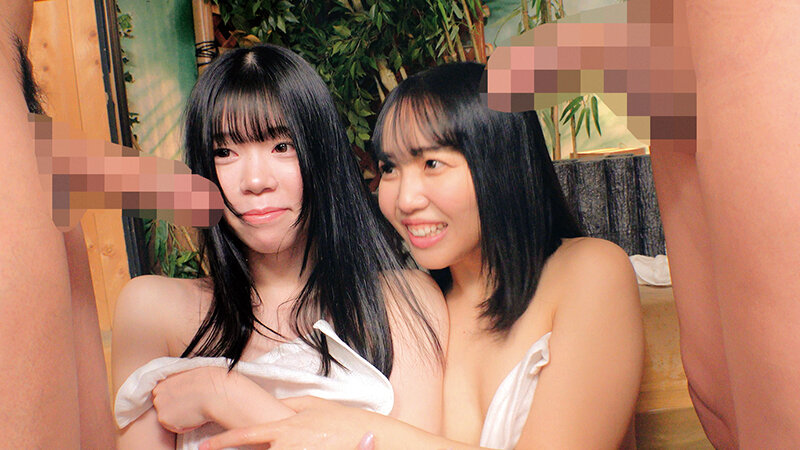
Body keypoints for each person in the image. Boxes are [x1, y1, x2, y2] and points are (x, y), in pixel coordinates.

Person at [200, 61, 644, 450]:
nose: (405, 199)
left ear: (501, 164)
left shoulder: (589, 270)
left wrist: (364, 432)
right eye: (390, 168)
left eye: (432, 164)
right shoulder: (413, 310)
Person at [111, 44, 447, 449]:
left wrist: (226, 396)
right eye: (225, 152)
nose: (255, 181)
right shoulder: (152, 310)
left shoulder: (402, 302)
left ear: (320, 156)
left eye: (281, 146)